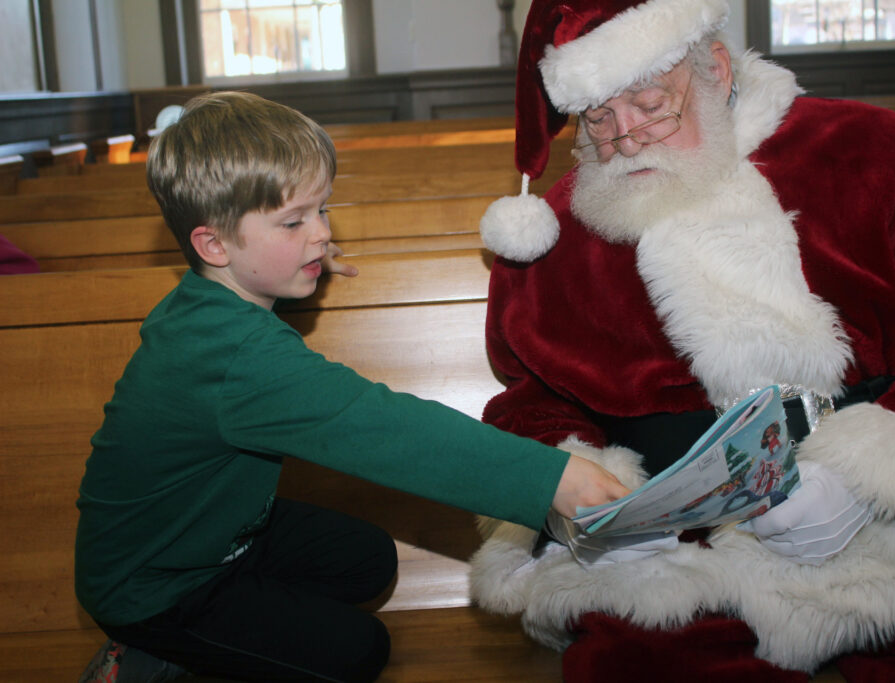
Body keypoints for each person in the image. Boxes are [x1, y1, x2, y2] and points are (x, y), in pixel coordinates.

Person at [469, 0, 895, 681]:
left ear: (716, 70)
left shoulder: (873, 153)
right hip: (683, 555)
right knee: (636, 663)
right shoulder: (555, 234)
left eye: (651, 105)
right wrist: (582, 500)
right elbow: (530, 399)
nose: (627, 139)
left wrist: (868, 478)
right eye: (600, 120)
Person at [74, 91, 630, 683]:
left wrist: (294, 258)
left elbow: (252, 289)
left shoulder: (210, 300)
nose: (319, 233)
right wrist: (550, 479)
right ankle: (147, 657)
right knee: (358, 650)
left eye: (322, 211)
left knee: (365, 562)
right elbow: (386, 429)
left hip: (214, 534)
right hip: (153, 583)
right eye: (294, 222)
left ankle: (230, 631)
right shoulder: (233, 356)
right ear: (214, 244)